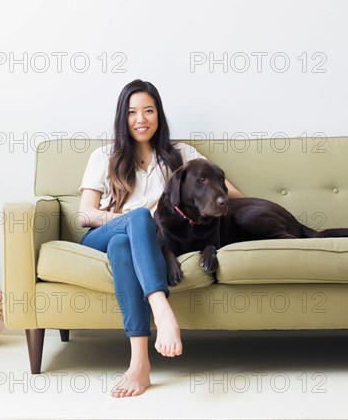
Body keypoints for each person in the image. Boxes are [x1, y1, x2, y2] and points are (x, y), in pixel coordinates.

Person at [78, 79, 243, 397]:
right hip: (100, 234)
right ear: (122, 118)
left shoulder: (179, 155)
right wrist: (130, 220)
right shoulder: (105, 155)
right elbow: (85, 214)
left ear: (159, 115)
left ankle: (139, 365)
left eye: (148, 111)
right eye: (133, 112)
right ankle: (162, 311)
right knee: (136, 221)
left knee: (122, 246)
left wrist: (213, 201)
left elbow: (229, 192)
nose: (141, 119)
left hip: (131, 244)